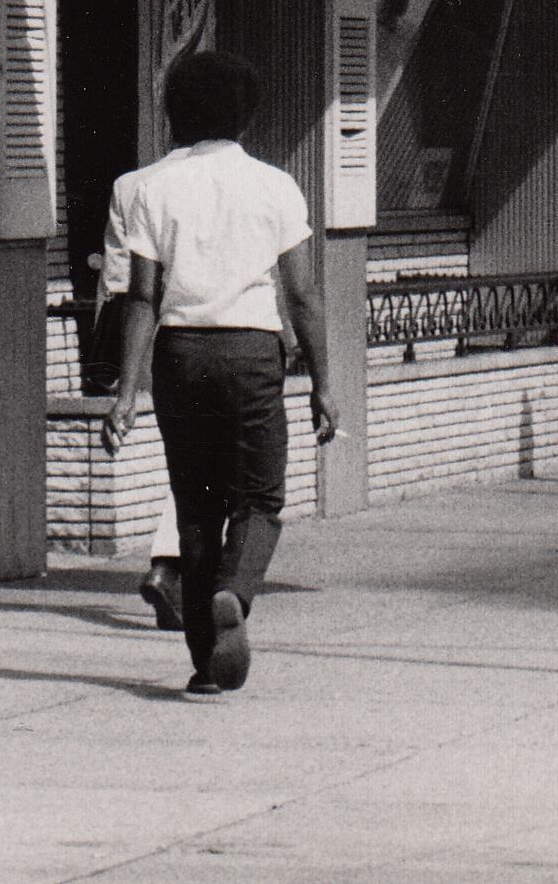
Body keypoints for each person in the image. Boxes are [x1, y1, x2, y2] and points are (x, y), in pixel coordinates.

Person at [101, 51, 339, 696]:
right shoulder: (276, 185)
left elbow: (141, 298)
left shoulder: (151, 189)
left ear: (176, 114)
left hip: (180, 357)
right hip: (252, 353)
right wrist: (323, 382)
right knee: (260, 498)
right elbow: (305, 295)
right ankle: (236, 590)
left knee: (196, 510)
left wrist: (126, 392)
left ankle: (206, 665)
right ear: (245, 115)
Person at [92, 146, 193, 634]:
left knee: (186, 458)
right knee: (208, 462)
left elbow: (118, 283)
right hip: (203, 335)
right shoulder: (224, 180)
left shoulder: (129, 184)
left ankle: (172, 566)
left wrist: (123, 378)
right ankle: (171, 566)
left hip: (144, 336)